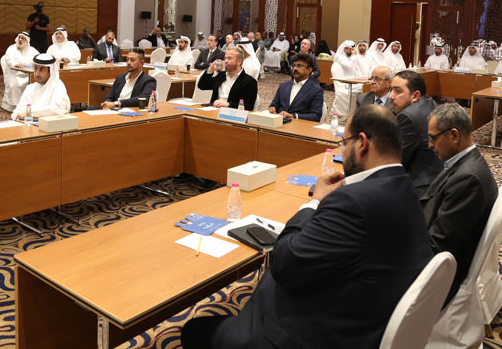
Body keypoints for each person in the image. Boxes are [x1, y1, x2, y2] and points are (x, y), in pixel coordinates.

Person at [181, 104, 432, 349]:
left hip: (314, 333)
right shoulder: (406, 187)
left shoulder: (353, 202)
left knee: (194, 330)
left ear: (362, 143)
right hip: (367, 315)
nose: (343, 151)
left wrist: (314, 202)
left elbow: (285, 263)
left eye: (344, 143)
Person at [422, 103, 497, 301]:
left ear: (454, 135)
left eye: (433, 138)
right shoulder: (464, 162)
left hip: (440, 275)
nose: (430, 145)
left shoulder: (467, 179)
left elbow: (437, 246)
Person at [388, 70, 443, 195]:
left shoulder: (407, 116)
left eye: (398, 91)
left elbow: (396, 160)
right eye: (391, 90)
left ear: (415, 95)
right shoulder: (433, 104)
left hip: (420, 188)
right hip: (440, 179)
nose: (391, 96)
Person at [11, 53, 71, 120]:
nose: (37, 73)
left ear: (51, 72)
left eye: (42, 70)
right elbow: (17, 112)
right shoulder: (30, 88)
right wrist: (18, 115)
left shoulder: (58, 86)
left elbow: (57, 110)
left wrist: (29, 112)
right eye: (36, 69)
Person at [268, 52, 323, 120]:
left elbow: (316, 116)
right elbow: (274, 105)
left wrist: (294, 116)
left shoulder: (316, 90)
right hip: (279, 123)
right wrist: (271, 108)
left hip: (299, 125)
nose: (295, 69)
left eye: (299, 66)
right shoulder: (283, 86)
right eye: (293, 66)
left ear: (309, 70)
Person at [1, 32, 39, 112]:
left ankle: (28, 105)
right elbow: (9, 60)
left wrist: (26, 65)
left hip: (28, 75)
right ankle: (14, 106)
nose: (20, 40)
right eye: (19, 38)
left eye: (23, 38)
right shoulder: (11, 48)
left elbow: (37, 61)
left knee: (37, 83)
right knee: (13, 84)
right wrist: (17, 65)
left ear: (27, 40)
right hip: (13, 74)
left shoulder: (32, 50)